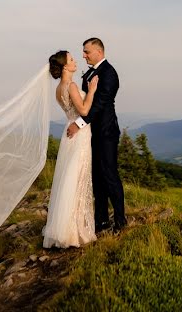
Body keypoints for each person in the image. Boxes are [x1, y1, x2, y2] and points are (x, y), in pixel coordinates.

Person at [67, 37, 126, 233]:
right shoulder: (92, 72)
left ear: (99, 52)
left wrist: (79, 123)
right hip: (92, 133)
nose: (83, 55)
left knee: (109, 175)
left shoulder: (109, 74)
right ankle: (101, 220)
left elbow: (99, 105)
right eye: (83, 52)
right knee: (97, 177)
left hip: (106, 132)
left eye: (87, 51)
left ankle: (120, 221)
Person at [42, 50, 99, 248]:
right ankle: (74, 231)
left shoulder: (59, 89)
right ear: (65, 66)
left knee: (70, 177)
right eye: (72, 59)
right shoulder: (71, 86)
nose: (75, 61)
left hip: (69, 131)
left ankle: (65, 227)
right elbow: (83, 111)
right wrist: (91, 91)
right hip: (80, 134)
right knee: (79, 177)